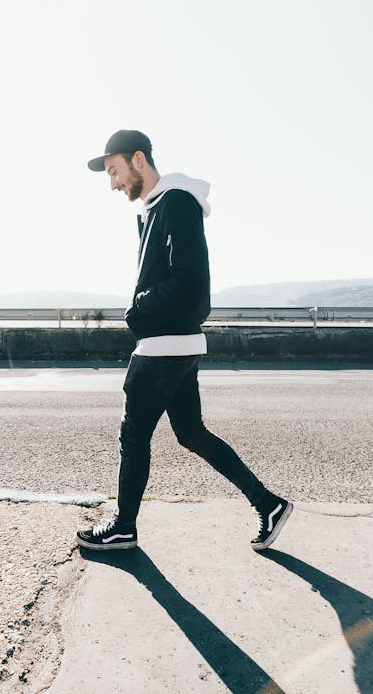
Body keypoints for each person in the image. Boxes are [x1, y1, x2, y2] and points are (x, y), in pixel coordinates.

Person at [76, 130, 293, 552]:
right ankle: (268, 505)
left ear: (139, 160)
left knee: (133, 434)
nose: (113, 183)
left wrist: (137, 309)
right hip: (177, 345)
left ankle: (124, 526)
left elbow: (191, 282)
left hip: (163, 346)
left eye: (115, 171)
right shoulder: (157, 208)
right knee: (190, 433)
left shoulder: (175, 203)